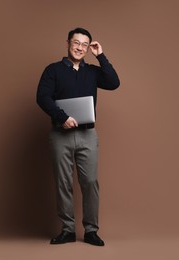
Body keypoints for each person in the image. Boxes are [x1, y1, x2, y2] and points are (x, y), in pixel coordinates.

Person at [36, 27, 120, 246]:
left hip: (87, 135)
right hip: (60, 133)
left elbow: (114, 82)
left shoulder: (92, 72)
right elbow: (42, 97)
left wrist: (100, 55)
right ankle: (68, 229)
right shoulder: (53, 70)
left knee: (90, 182)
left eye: (85, 44)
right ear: (68, 43)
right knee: (63, 183)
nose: (80, 47)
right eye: (77, 42)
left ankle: (91, 230)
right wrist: (61, 116)